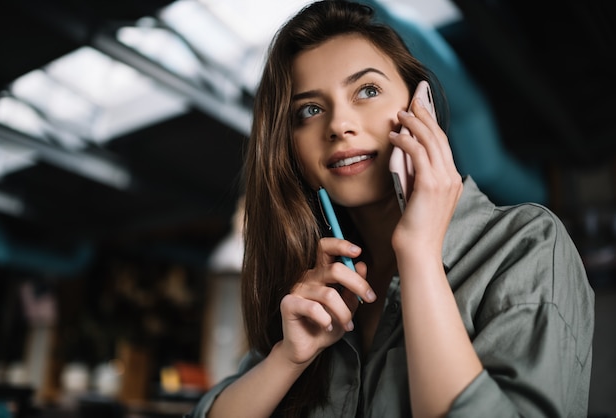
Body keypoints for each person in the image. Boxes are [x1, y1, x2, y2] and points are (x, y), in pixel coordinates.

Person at [187, 1, 595, 417]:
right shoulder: (316, 285)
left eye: (367, 90)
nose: (338, 125)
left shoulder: (526, 247)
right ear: (294, 155)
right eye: (309, 110)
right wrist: (288, 358)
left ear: (422, 110)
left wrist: (418, 253)